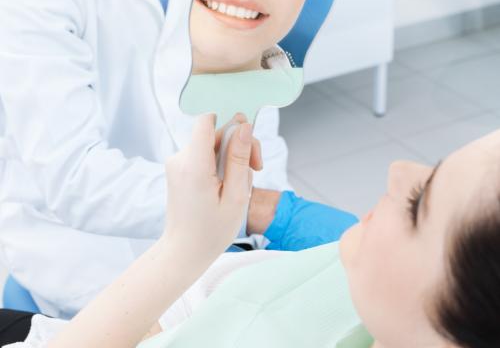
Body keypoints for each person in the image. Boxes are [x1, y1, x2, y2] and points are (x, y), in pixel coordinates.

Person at [0, 0, 356, 318]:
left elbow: (252, 94)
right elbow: (73, 175)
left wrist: (267, 233)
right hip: (91, 268)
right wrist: (258, 208)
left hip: (219, 258)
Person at [3, 122, 499, 348]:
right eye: (436, 165)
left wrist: (183, 248)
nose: (397, 170)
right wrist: (256, 212)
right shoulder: (354, 272)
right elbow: (185, 312)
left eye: (419, 204)